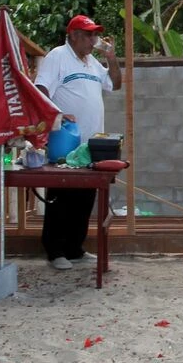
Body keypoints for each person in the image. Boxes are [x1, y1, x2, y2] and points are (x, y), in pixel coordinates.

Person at [35, 14, 122, 271]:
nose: (93, 39)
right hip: (66, 141)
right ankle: (55, 250)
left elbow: (115, 85)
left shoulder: (92, 63)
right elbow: (41, 90)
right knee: (62, 196)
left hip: (92, 143)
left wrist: (112, 59)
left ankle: (75, 248)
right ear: (73, 35)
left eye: (95, 34)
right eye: (88, 35)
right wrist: (58, 115)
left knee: (85, 197)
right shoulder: (58, 57)